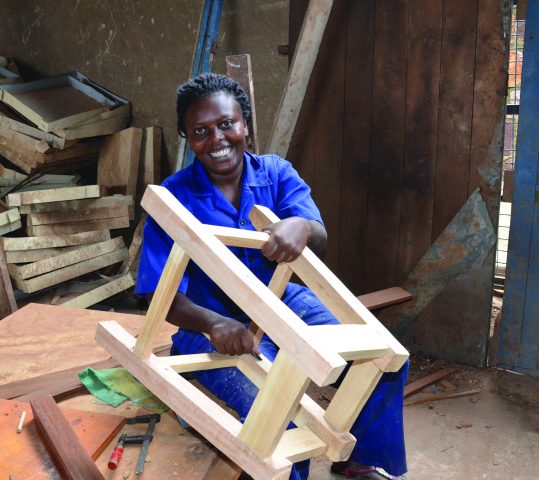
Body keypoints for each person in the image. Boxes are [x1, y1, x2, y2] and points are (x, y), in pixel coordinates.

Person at [136, 73, 408, 480]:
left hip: (280, 300)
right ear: (187, 138)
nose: (217, 139)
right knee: (278, 410)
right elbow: (159, 295)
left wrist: (302, 226)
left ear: (245, 125)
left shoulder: (276, 173)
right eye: (200, 131)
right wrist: (213, 323)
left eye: (227, 124)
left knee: (383, 359)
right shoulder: (173, 197)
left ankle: (361, 458)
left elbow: (318, 236)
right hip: (210, 321)